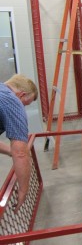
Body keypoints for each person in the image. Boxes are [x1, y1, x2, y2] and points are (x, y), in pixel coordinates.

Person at [0, 74, 38, 211]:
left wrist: (10, 151)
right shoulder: (12, 101)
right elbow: (21, 153)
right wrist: (23, 189)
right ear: (21, 95)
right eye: (25, 104)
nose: (23, 109)